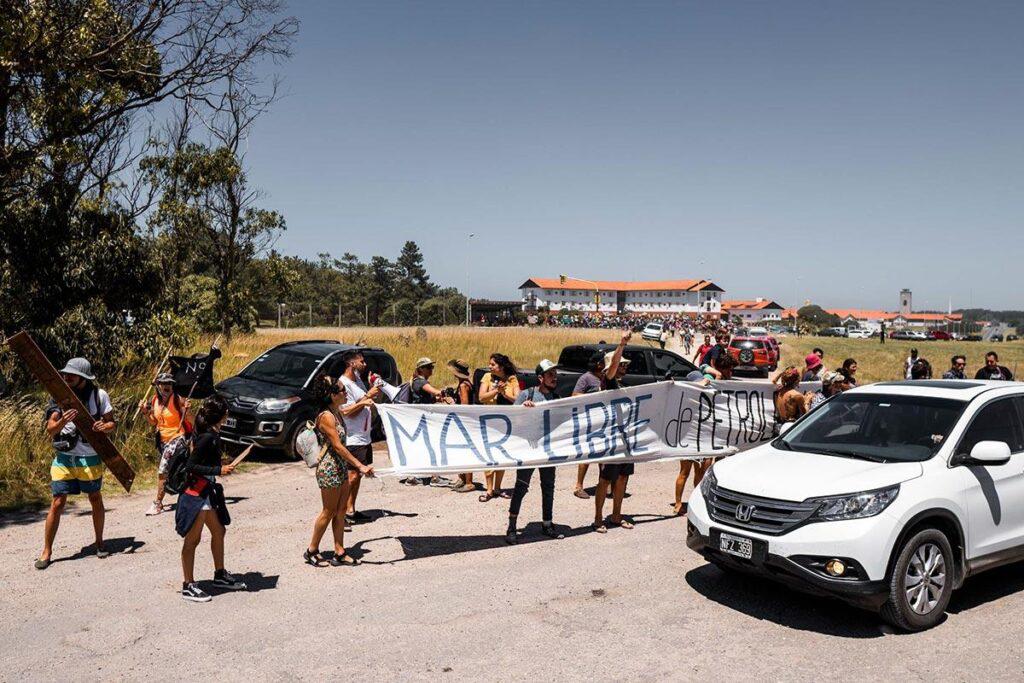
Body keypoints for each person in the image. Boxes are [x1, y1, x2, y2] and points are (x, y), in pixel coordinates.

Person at [36, 358, 115, 570]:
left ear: (83, 377)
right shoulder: (59, 396)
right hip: (64, 458)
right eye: (65, 373)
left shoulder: (99, 396)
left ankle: (99, 543)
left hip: (90, 457)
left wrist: (103, 426)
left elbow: (112, 423)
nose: (66, 377)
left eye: (71, 374)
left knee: (95, 498)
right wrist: (62, 421)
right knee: (57, 502)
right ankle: (47, 551)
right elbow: (51, 429)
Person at [176, 396, 246, 602]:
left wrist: (222, 464)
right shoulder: (208, 437)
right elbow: (191, 466)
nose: (228, 414)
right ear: (221, 416)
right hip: (198, 493)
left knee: (219, 530)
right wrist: (219, 469)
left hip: (207, 491)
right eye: (226, 411)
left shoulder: (213, 434)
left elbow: (206, 459)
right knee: (193, 539)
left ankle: (220, 574)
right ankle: (188, 585)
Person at [305, 377, 375, 568]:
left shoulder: (336, 412)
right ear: (332, 395)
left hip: (340, 466)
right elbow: (337, 446)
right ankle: (312, 550)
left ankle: (340, 551)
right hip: (329, 468)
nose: (346, 393)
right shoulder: (326, 417)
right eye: (343, 391)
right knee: (328, 512)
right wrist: (360, 466)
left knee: (341, 511)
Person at [505, 359, 565, 544]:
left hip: (547, 452)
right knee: (521, 487)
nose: (554, 377)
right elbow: (512, 419)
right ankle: (512, 527)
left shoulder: (557, 399)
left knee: (548, 487)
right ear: (540, 378)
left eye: (555, 374)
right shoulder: (526, 395)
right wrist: (524, 410)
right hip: (528, 452)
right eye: (550, 374)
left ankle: (547, 524)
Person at [572, 330, 630, 499]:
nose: (624, 367)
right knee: (588, 454)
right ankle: (581, 486)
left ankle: (605, 487)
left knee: (603, 459)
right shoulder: (594, 379)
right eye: (621, 364)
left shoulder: (614, 382)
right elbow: (575, 396)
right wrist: (622, 344)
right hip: (593, 421)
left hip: (607, 424)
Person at [338, 350, 381, 523]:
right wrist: (366, 399)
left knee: (358, 475)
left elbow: (364, 399)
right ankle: (340, 514)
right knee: (352, 476)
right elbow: (346, 411)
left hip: (363, 437)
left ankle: (351, 509)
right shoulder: (343, 384)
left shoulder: (357, 381)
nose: (364, 364)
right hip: (352, 437)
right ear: (351, 364)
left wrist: (371, 386)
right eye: (361, 361)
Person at [141, 373, 192, 516]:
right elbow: (154, 422)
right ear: (158, 386)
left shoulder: (178, 399)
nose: (167, 386)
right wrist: (145, 413)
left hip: (177, 437)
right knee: (175, 471)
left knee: (162, 470)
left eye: (169, 383)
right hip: (163, 441)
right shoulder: (155, 400)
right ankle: (191, 495)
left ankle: (158, 503)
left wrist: (187, 410)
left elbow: (190, 420)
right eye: (163, 383)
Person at [477, 353, 520, 501]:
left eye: (493, 364)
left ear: (501, 366)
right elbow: (481, 397)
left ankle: (497, 487)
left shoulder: (512, 379)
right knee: (489, 454)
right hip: (489, 421)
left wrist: (505, 394)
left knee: (502, 453)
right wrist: (496, 391)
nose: (490, 367)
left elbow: (517, 399)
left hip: (506, 422)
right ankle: (488, 489)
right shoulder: (487, 377)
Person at [447, 359, 477, 493]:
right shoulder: (467, 383)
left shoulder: (463, 386)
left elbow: (464, 405)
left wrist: (452, 403)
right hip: (468, 422)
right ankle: (464, 478)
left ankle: (469, 482)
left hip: (465, 422)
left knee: (466, 451)